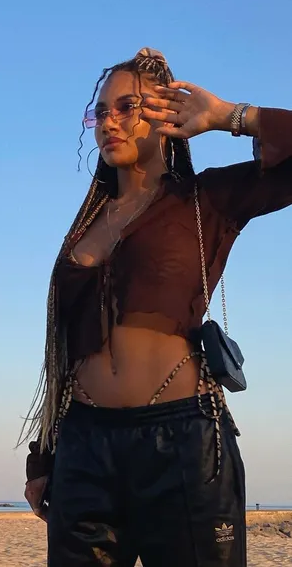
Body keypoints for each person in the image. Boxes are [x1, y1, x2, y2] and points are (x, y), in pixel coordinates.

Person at [20, 48, 292, 566]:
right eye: (101, 112)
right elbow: (64, 355)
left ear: (167, 115)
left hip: (183, 442)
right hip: (83, 445)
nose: (109, 122)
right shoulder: (86, 226)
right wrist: (45, 455)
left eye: (127, 107)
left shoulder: (205, 199)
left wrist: (229, 116)